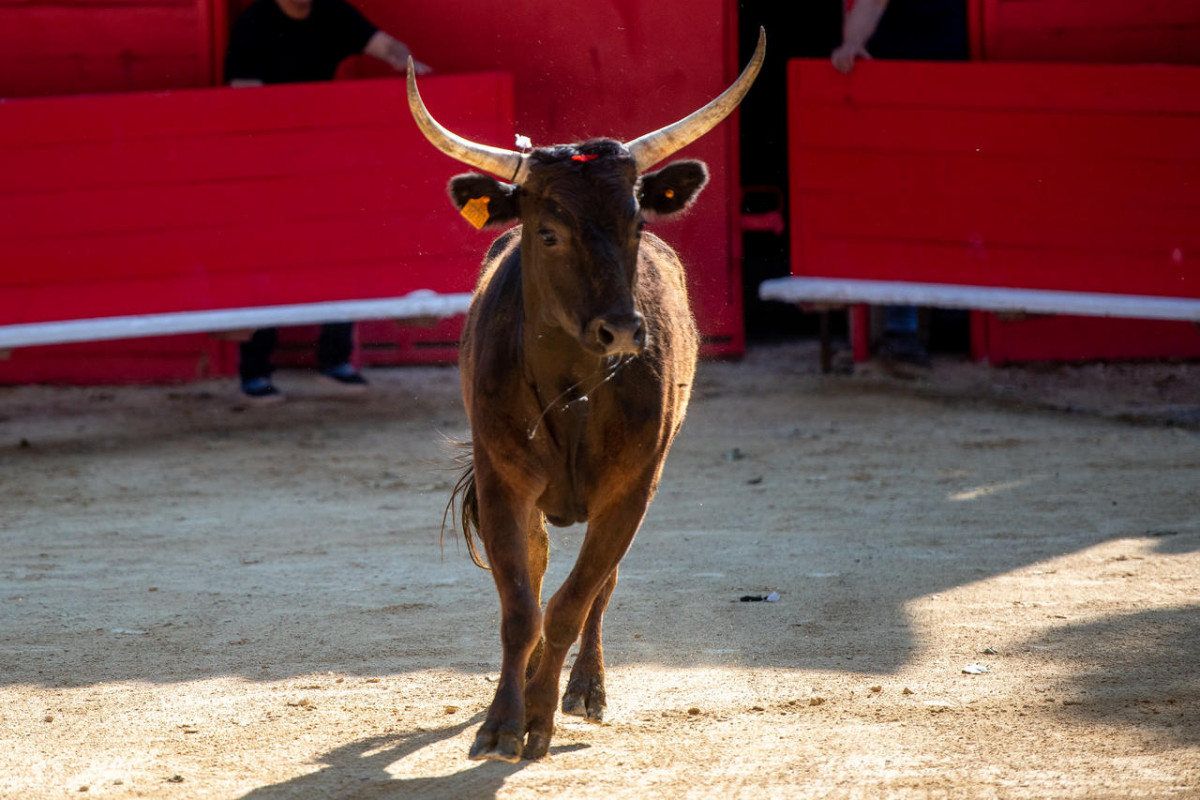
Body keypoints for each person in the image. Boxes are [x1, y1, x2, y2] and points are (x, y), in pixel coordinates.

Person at [224, 0, 432, 402]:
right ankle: (255, 370)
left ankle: (335, 361)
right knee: (268, 259)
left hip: (325, 158)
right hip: (267, 161)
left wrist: (409, 68)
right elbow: (243, 97)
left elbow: (387, 47)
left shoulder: (333, 13)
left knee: (343, 250)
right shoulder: (254, 22)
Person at [831, 0, 967, 365]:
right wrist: (852, 43)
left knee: (948, 203)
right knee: (905, 206)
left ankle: (954, 321)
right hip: (897, 91)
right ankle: (903, 328)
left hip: (960, 91)